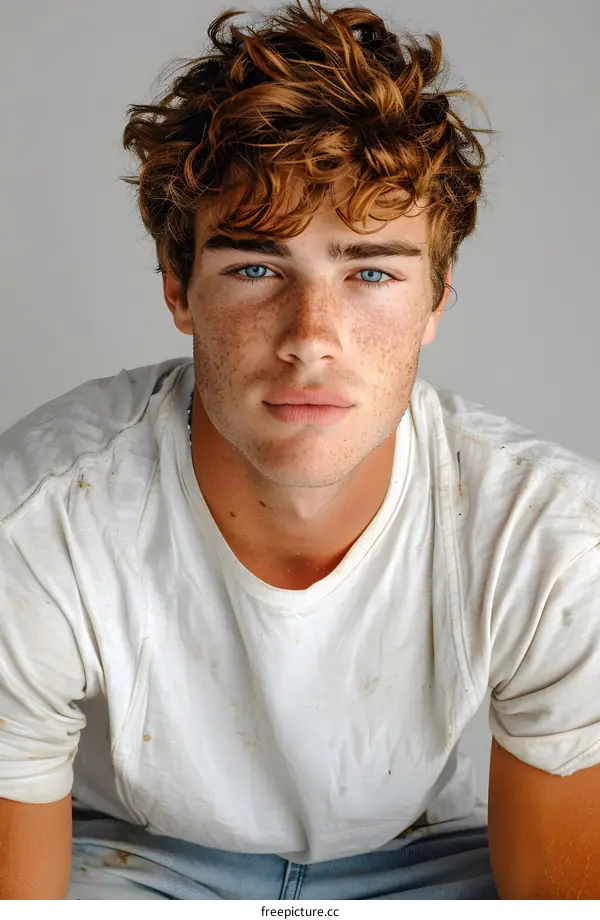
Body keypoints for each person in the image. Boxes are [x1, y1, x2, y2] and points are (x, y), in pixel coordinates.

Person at [1, 0, 599, 901]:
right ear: (178, 291)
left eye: (370, 272)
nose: (312, 337)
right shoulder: (37, 524)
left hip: (425, 864)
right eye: (255, 268)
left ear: (436, 300)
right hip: (127, 861)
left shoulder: (549, 540)